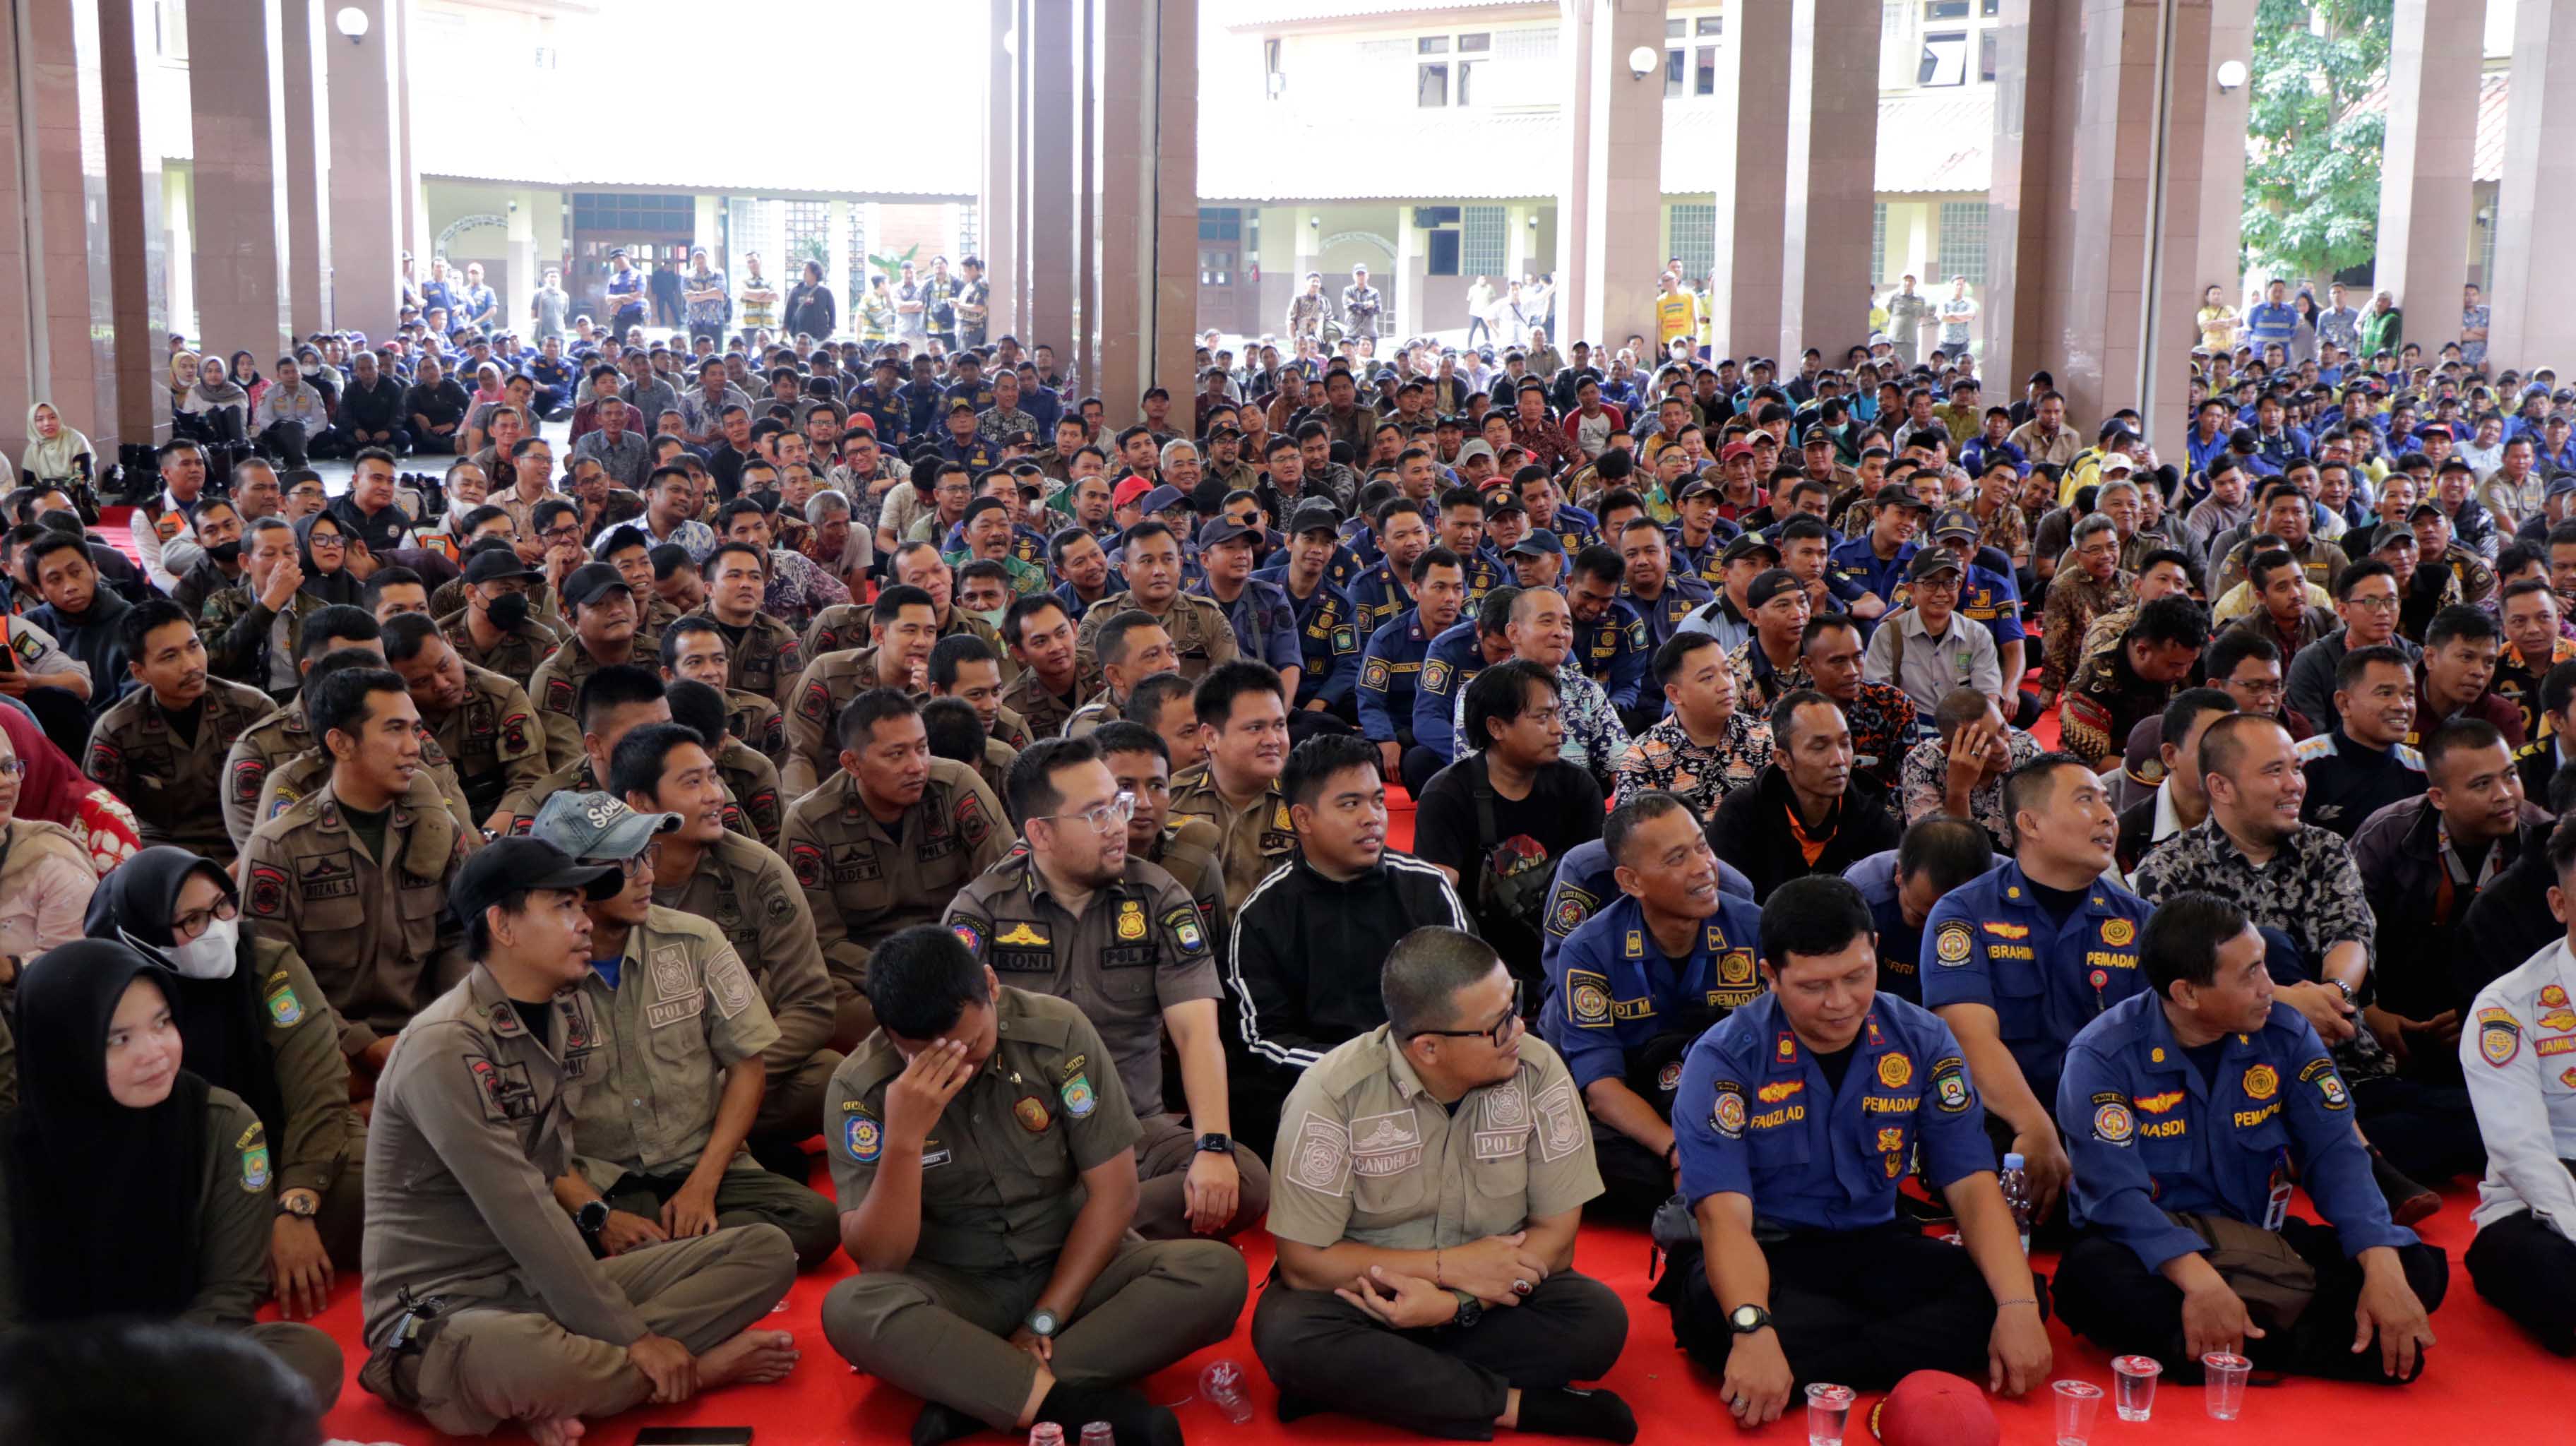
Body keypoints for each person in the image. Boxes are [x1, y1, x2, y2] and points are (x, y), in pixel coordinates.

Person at [357, 837, 799, 1441]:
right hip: (448, 1307)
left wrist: (608, 1305)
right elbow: (522, 1210)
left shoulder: (564, 1015)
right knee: (516, 1354)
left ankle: (572, 1386)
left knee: (764, 1251)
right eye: (563, 906)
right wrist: (637, 1337)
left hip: (536, 1284)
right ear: (502, 926)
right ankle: (685, 1372)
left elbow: (551, 1175)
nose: (586, 921)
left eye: (582, 906)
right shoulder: (444, 1045)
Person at [817, 924, 1249, 1446]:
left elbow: (1116, 1195)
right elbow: (880, 1262)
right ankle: (1062, 1401)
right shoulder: (858, 1087)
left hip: (1073, 1267)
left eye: (973, 1045)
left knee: (1215, 1272)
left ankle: (976, 1391)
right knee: (851, 1308)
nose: (960, 1068)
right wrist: (905, 1142)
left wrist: (1045, 1318)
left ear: (991, 985)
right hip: (957, 1287)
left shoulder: (1057, 1032)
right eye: (927, 1058)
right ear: (889, 1035)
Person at [1664, 874, 2051, 1423]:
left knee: (2017, 1296)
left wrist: (2016, 1309)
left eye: (1856, 976)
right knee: (1716, 1317)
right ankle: (1868, 1354)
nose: (1841, 1003)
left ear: (1874, 950)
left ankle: (1811, 1368)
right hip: (1769, 1248)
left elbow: (1970, 1183)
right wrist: (1753, 1328)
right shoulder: (1724, 1060)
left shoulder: (1922, 1038)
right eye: (1815, 986)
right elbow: (1724, 1220)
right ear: (1770, 976)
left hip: (1875, 1240)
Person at [1250, 925, 1635, 1440]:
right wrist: (1446, 1268)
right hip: (1367, 1298)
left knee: (1598, 1321)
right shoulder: (1331, 1095)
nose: (1520, 1028)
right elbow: (1303, 1263)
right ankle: (1517, 1406)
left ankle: (1372, 1386)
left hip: (1491, 1300)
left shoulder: (1538, 1072)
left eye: (1516, 1005)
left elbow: (1557, 1239)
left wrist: (1458, 1303)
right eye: (1498, 1025)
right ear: (1428, 1048)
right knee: (1288, 1336)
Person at [2052, 892, 2447, 1385]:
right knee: (2089, 1280)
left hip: (2257, 1239)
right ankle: (2282, 1344)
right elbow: (2115, 1200)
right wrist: (2200, 1282)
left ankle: (2216, 1350)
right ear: (2188, 993)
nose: (2270, 988)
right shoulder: (2102, 1055)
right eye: (2250, 975)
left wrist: (2381, 1264)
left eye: (2264, 965)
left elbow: (2335, 1154)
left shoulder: (2285, 1033)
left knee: (2418, 1268)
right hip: (2153, 1251)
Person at [944, 734, 1273, 1241]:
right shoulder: (982, 909)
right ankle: (1105, 1235)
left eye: (1116, 807)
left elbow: (1197, 1036)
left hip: (1134, 1132)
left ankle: (1054, 1235)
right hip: (1021, 1131)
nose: (1120, 825)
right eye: (1097, 814)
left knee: (1243, 1179)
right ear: (1041, 833)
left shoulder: (1160, 898)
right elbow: (950, 1041)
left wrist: (1212, 1146)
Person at [0, 942, 343, 1410]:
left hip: (181, 1358)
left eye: (162, 1023)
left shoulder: (223, 1124)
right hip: (53, 1378)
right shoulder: (13, 1154)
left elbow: (229, 1295)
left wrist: (139, 1379)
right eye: (117, 1039)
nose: (154, 1053)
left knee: (306, 1356)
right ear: (61, 1050)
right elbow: (9, 1322)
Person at [527, 791, 840, 1269]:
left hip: (697, 1164)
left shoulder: (695, 939)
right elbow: (519, 1130)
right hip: (596, 1179)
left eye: (647, 855)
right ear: (575, 880)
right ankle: (695, 1257)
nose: (649, 875)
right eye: (627, 864)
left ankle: (655, 1262)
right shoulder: (529, 973)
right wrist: (597, 1215)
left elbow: (747, 1066)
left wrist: (703, 1185)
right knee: (540, 1243)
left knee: (816, 1222)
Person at [83, 846, 365, 1311]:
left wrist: (297, 1201)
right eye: (191, 920)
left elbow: (317, 1088)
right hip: (184, 1178)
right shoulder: (114, 992)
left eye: (221, 905)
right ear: (149, 934)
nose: (217, 928)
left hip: (295, 1148)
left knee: (397, 1202)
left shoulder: (265, 962)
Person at [1919, 753, 2154, 1225]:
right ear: (2030, 823)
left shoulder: (2140, 922)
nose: (2109, 816)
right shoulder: (1964, 912)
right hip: (2004, 1114)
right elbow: (1969, 1036)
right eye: (2086, 800)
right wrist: (2033, 1125)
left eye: (2107, 804)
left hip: (2108, 1116)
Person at [238, 666, 478, 1101]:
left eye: (415, 730)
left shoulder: (436, 831)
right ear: (340, 743)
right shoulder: (280, 847)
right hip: (324, 1048)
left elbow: (459, 939)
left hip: (426, 1037)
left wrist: (445, 1023)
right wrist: (360, 1045)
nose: (413, 748)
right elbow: (270, 973)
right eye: (394, 730)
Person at [1226, 732, 1469, 1155]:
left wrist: (1413, 1068)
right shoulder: (1264, 913)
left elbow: (1471, 997)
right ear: (1303, 818)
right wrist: (1369, 1071)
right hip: (1324, 1086)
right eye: (1350, 804)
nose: (1372, 817)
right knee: (1251, 1105)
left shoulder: (1426, 889)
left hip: (1428, 1074)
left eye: (1378, 800)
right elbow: (1262, 1039)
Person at [1545, 791, 1766, 1212]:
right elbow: (1602, 1089)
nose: (1704, 867)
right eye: (1677, 858)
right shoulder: (1589, 949)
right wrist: (1675, 1151)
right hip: (1636, 1104)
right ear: (1631, 882)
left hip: (1729, 1099)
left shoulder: (1754, 927)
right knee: (1564, 1150)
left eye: (1703, 846)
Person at [782, 688, 1010, 1041]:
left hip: (962, 953)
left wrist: (956, 967)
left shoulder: (957, 785)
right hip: (870, 974)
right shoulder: (810, 822)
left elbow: (1004, 888)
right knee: (820, 997)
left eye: (922, 748)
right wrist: (905, 977)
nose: (917, 766)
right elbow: (822, 941)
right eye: (896, 755)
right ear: (852, 763)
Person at [1414, 659, 1606, 997]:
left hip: (1568, 957)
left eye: (1557, 715)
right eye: (1542, 717)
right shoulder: (1447, 794)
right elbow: (1435, 902)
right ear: (1497, 728)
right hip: (1477, 968)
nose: (1559, 728)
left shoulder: (1578, 788)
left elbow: (1597, 892)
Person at [2459, 813, 2576, 1353]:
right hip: (2538, 1200)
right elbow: (2520, 1150)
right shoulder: (2507, 1006)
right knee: (2557, 1282)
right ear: (2559, 905)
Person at [83, 599, 275, 870]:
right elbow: (104, 815)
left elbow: (285, 795)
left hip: (246, 847)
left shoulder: (252, 709)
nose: (191, 665)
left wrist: (248, 860)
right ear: (139, 672)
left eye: (194, 647)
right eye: (170, 656)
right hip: (163, 860)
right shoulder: (117, 729)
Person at [1706, 690, 1902, 901]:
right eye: (1819, 747)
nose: (1839, 760)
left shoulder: (1873, 819)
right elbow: (1728, 907)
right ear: (1783, 759)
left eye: (1845, 744)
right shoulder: (1740, 816)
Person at [1167, 659, 1297, 912]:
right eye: (1255, 728)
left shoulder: (1305, 797)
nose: (1273, 740)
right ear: (1211, 737)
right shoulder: (1171, 799)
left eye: (1279, 726)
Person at [2297, 644, 2427, 838]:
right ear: (2344, 703)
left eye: (2409, 694)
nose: (2402, 706)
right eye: (2385, 693)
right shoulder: (2301, 764)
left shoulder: (2423, 771)